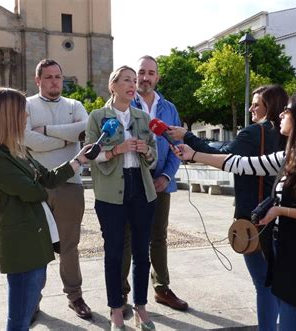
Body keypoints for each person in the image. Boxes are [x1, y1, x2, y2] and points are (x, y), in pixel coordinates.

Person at [174, 90, 296, 331]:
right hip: (290, 257)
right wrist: (194, 154)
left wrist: (281, 211)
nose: (280, 114)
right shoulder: (294, 155)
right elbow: (242, 164)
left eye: (287, 110)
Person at [169, 84, 288, 329]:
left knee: (263, 284)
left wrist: (187, 138)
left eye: (257, 104)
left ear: (270, 106)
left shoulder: (254, 132)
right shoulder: (290, 135)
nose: (251, 108)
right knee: (277, 283)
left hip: (255, 217)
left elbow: (225, 156)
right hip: (283, 215)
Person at [0, 86, 91, 330]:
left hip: (35, 240)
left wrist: (79, 160)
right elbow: (34, 191)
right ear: (5, 116)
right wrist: (39, 182)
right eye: (21, 112)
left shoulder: (14, 151)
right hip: (21, 245)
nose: (26, 116)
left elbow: (46, 178)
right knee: (19, 319)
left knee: (24, 312)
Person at [86, 65, 157, 330]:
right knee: (113, 252)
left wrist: (144, 150)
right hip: (110, 194)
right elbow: (91, 156)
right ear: (113, 85)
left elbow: (153, 157)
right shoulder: (97, 116)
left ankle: (141, 308)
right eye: (126, 79)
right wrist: (117, 150)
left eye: (134, 80)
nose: (133, 83)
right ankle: (116, 310)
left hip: (141, 188)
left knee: (142, 252)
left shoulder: (142, 117)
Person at [23, 59, 92, 319]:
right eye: (49, 77)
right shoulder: (26, 105)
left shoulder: (75, 106)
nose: (55, 81)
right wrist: (66, 139)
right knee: (35, 247)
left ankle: (75, 296)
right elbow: (27, 139)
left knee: (69, 246)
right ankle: (31, 301)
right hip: (36, 186)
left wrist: (48, 131)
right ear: (37, 79)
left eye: (58, 77)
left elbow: (84, 131)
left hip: (70, 185)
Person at [122, 55, 187, 312]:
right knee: (127, 236)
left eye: (151, 73)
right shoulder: (123, 102)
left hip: (161, 183)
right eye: (141, 72)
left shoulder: (169, 108)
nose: (145, 77)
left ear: (158, 77)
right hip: (131, 181)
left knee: (158, 237)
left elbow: (176, 146)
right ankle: (122, 292)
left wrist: (166, 176)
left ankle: (162, 288)